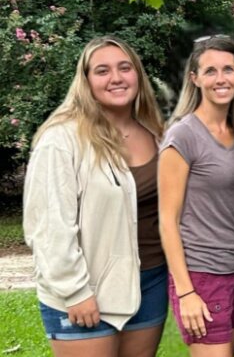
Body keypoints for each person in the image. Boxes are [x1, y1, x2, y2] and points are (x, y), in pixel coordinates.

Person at [23, 36, 165, 356]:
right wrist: (75, 292)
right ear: (86, 81)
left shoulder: (154, 132)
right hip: (89, 289)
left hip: (150, 282)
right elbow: (48, 226)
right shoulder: (62, 138)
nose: (116, 77)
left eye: (124, 68)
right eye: (102, 70)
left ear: (137, 75)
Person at [157, 36, 234, 357]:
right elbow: (167, 221)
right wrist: (186, 292)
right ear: (195, 79)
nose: (220, 78)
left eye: (228, 69)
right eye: (210, 71)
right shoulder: (183, 135)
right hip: (201, 273)